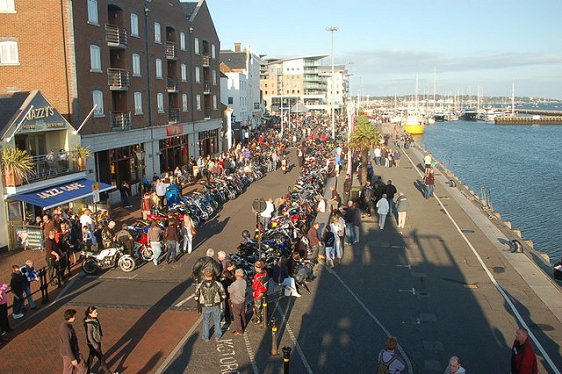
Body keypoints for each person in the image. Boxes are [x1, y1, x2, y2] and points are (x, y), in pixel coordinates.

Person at [83, 306, 118, 374]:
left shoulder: (95, 319)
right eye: (95, 312)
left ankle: (86, 372)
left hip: (97, 342)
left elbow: (99, 328)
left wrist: (101, 335)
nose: (97, 313)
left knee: (91, 358)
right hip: (93, 344)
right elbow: (90, 336)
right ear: (90, 314)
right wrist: (96, 345)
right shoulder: (89, 324)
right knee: (101, 358)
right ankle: (108, 372)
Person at [195, 268, 226, 342]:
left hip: (205, 306)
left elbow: (196, 297)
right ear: (213, 275)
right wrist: (219, 300)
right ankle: (217, 336)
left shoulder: (200, 285)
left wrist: (200, 302)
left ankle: (206, 337)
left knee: (206, 321)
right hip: (215, 304)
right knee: (217, 320)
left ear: (204, 276)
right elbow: (224, 295)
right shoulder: (218, 284)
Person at [59, 309, 87, 374]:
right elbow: (67, 345)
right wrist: (73, 358)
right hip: (70, 354)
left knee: (68, 369)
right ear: (70, 317)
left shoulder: (65, 324)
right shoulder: (66, 329)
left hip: (67, 353)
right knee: (83, 368)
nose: (75, 318)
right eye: (74, 316)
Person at [228, 268, 246, 336]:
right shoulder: (244, 281)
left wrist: (228, 287)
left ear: (236, 275)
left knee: (237, 316)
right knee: (242, 313)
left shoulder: (234, 284)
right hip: (242, 300)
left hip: (236, 301)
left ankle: (239, 330)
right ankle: (244, 324)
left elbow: (229, 290)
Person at [251, 260, 269, 325]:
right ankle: (264, 317)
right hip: (264, 291)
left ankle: (258, 319)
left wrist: (253, 285)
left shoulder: (257, 276)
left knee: (257, 306)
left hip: (258, 292)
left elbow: (254, 286)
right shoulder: (265, 272)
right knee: (263, 305)